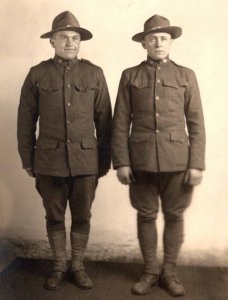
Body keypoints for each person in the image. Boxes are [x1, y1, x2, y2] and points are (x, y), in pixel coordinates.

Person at [17, 11, 112, 291]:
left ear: (80, 42)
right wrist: (28, 158)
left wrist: (103, 161)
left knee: (82, 216)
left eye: (75, 38)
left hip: (86, 161)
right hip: (49, 161)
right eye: (63, 37)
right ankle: (59, 266)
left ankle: (78, 266)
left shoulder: (94, 73)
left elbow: (105, 120)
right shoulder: (37, 74)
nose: (70, 42)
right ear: (52, 41)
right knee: (55, 216)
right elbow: (25, 120)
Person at [112, 15, 205, 297]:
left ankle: (170, 273)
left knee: (175, 216)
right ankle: (150, 272)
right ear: (143, 43)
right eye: (152, 38)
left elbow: (197, 123)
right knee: (146, 214)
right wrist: (122, 161)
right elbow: (120, 122)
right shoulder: (130, 75)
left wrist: (197, 163)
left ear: (171, 41)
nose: (158, 43)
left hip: (178, 160)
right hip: (140, 161)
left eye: (164, 38)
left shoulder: (185, 75)